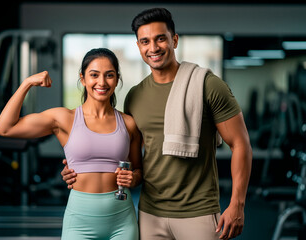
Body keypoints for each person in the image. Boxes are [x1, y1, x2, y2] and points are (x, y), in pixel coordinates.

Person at [61, 8, 252, 240]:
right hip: (150, 212)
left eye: (160, 38)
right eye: (145, 41)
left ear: (174, 40)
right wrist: (77, 168)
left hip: (198, 211)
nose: (153, 47)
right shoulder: (135, 96)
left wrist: (237, 204)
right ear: (139, 46)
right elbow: (126, 156)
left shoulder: (208, 85)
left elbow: (240, 144)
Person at [0, 48, 142, 240]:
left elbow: (139, 171)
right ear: (82, 78)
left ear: (117, 79)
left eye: (109, 75)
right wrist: (27, 83)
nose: (102, 82)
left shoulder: (128, 123)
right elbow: (4, 128)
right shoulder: (64, 118)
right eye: (94, 75)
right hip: (80, 222)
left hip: (121, 221)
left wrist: (133, 179)